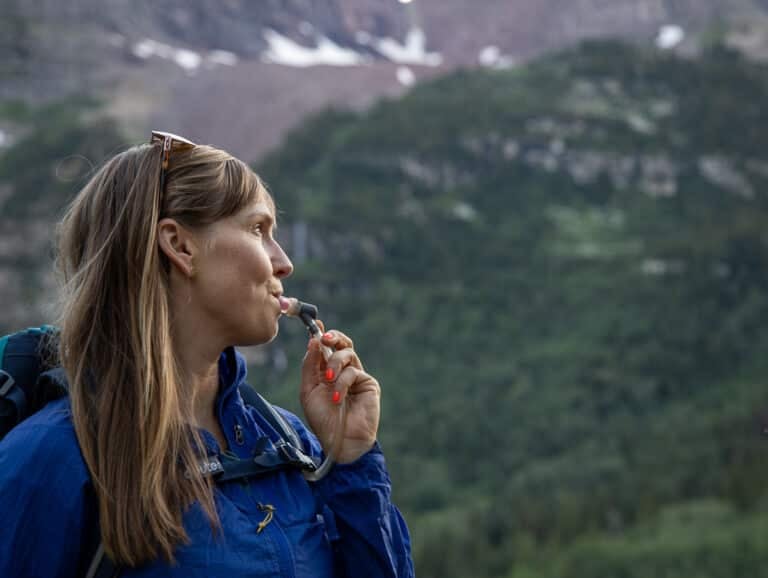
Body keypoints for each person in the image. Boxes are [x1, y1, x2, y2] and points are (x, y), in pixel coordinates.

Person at [0, 132, 414, 577]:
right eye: (259, 229)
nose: (284, 262)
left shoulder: (289, 443)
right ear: (180, 246)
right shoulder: (48, 460)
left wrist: (351, 456)